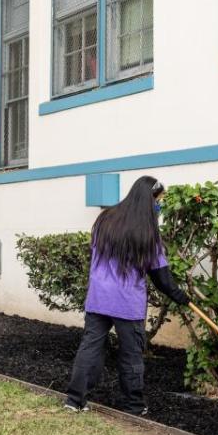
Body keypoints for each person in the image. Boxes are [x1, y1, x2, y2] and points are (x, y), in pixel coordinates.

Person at [65, 177, 189, 416]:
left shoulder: (104, 220)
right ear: (149, 200)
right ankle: (134, 406)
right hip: (127, 303)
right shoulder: (147, 232)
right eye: (158, 201)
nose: (159, 205)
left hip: (99, 298)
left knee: (90, 347)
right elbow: (161, 278)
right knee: (131, 354)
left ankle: (74, 400)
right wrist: (181, 297)